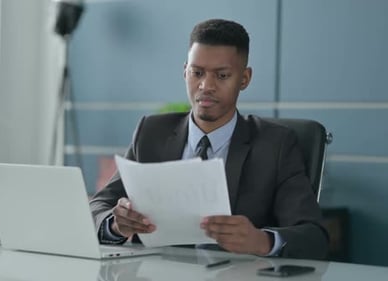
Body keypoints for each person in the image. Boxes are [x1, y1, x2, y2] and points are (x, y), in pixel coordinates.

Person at [89, 18, 328, 259]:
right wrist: (116, 224)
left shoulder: (276, 145)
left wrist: (262, 241)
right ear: (185, 71)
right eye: (197, 73)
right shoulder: (151, 132)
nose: (206, 86)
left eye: (222, 75)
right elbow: (96, 208)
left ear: (244, 78)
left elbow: (313, 236)